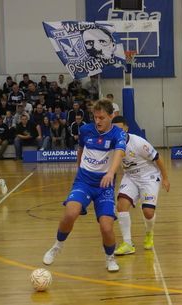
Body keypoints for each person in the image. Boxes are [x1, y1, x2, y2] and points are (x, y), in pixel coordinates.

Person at [42, 99, 127, 272]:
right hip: (84, 181)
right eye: (95, 117)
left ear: (112, 116)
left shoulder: (118, 134)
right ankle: (57, 246)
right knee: (70, 213)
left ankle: (110, 258)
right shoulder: (85, 130)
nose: (98, 121)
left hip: (105, 186)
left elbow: (119, 153)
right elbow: (80, 150)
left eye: (102, 117)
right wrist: (79, 168)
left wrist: (111, 172)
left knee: (106, 227)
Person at [112, 116, 170, 255]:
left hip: (148, 177)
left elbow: (158, 158)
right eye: (115, 129)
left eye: (120, 129)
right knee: (121, 206)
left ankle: (149, 233)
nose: (118, 132)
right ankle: (127, 243)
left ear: (126, 128)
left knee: (148, 212)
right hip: (130, 177)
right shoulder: (112, 144)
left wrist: (165, 178)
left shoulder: (138, 143)